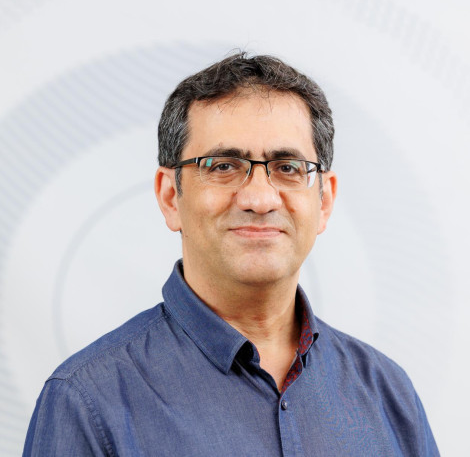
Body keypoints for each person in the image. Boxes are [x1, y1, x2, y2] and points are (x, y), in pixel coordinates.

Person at [23, 52, 439, 456]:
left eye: (288, 168)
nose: (260, 199)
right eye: (223, 166)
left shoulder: (389, 394)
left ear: (324, 201)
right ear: (170, 197)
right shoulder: (87, 401)